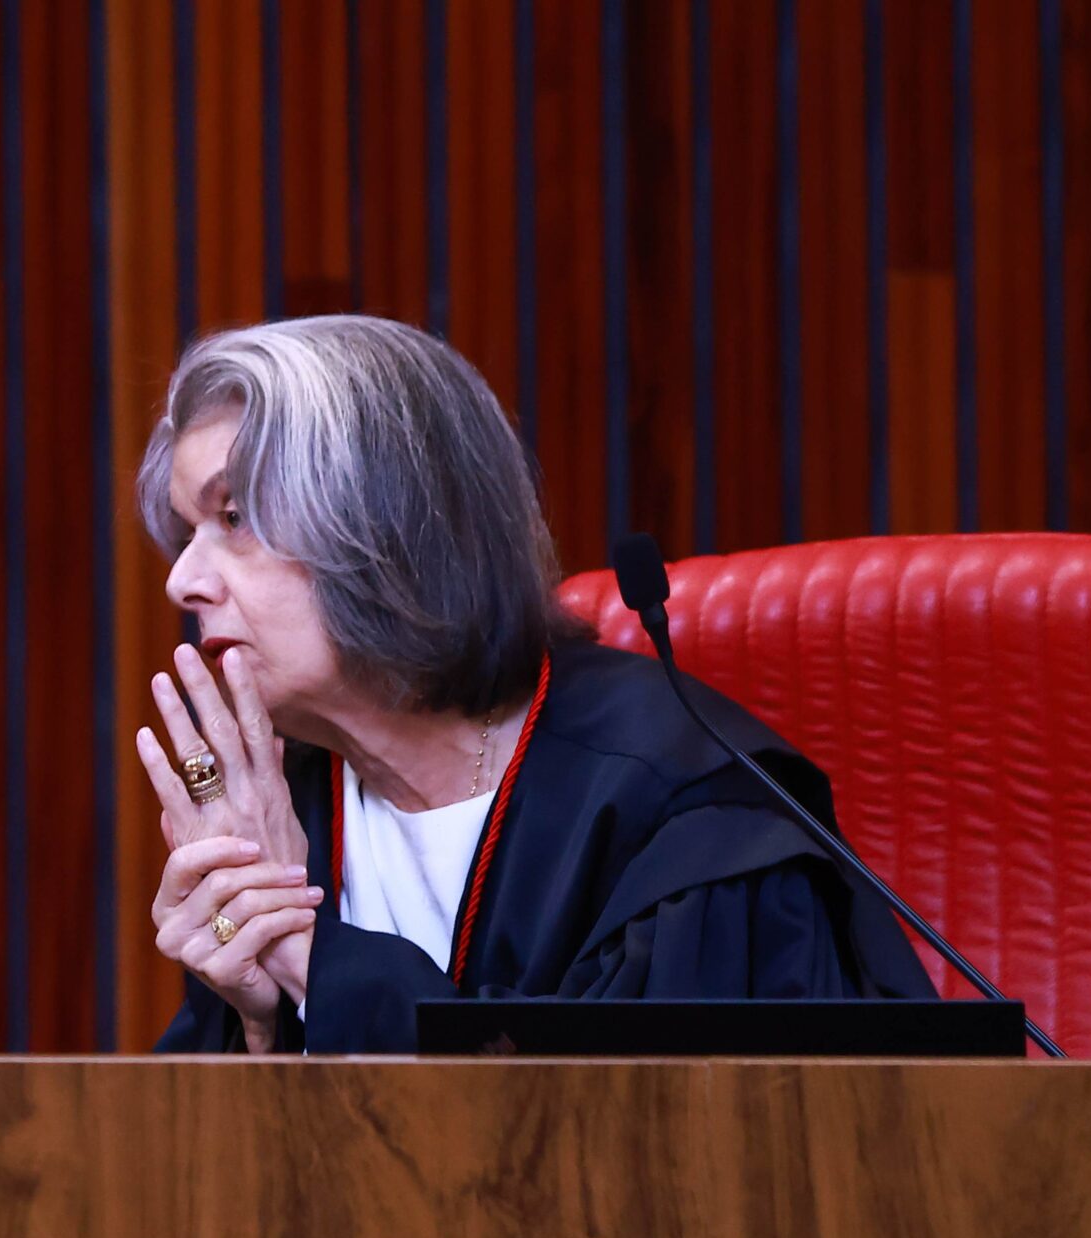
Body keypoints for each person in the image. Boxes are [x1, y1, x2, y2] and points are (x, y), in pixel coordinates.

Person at [132, 315, 934, 1054]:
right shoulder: (281, 809)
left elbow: (626, 1140)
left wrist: (311, 960)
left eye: (233, 518)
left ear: (386, 526)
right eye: (188, 531)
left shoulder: (682, 818)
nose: (183, 580)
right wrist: (259, 1018)